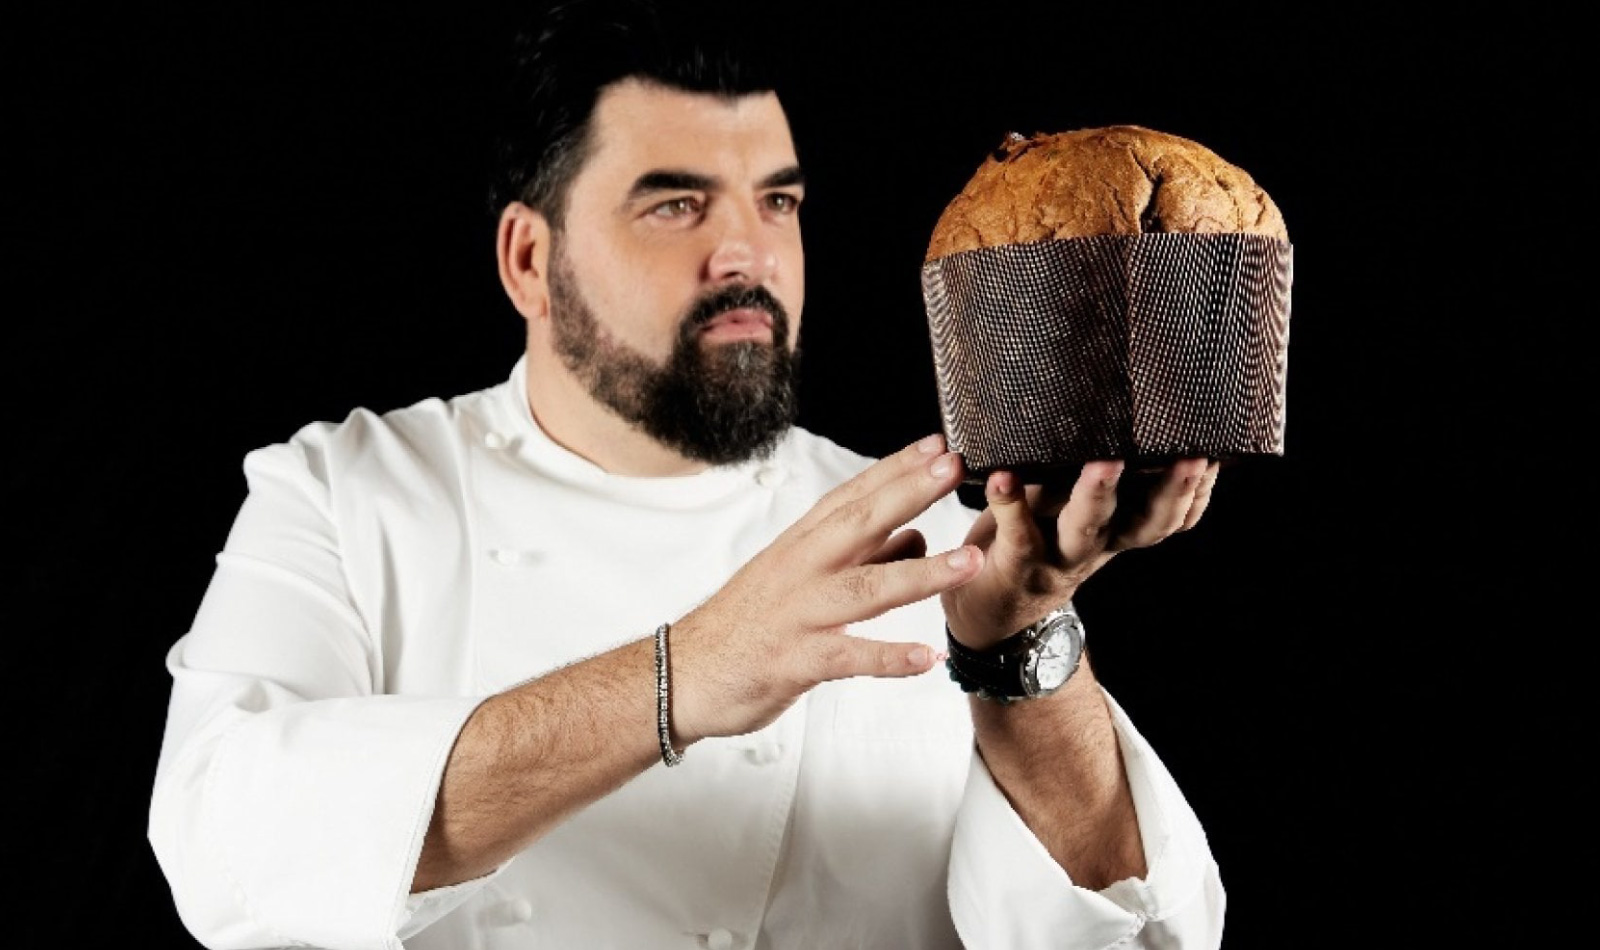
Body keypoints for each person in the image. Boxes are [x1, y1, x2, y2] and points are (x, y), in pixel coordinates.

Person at [148, 2, 1228, 947]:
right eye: (676, 205)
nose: (746, 256)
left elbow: (1131, 935)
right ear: (530, 258)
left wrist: (1017, 641)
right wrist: (683, 676)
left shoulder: (935, 535)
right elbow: (219, 836)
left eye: (778, 203)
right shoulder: (348, 493)